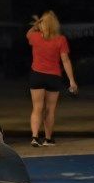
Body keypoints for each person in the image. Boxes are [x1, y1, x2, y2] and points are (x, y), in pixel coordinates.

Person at [26, 10, 78, 147]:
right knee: (50, 109)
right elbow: (65, 60)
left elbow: (28, 34)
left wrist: (36, 24)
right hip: (53, 77)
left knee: (37, 108)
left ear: (42, 24)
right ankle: (48, 139)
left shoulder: (35, 37)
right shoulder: (61, 40)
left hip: (37, 75)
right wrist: (71, 80)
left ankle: (35, 137)